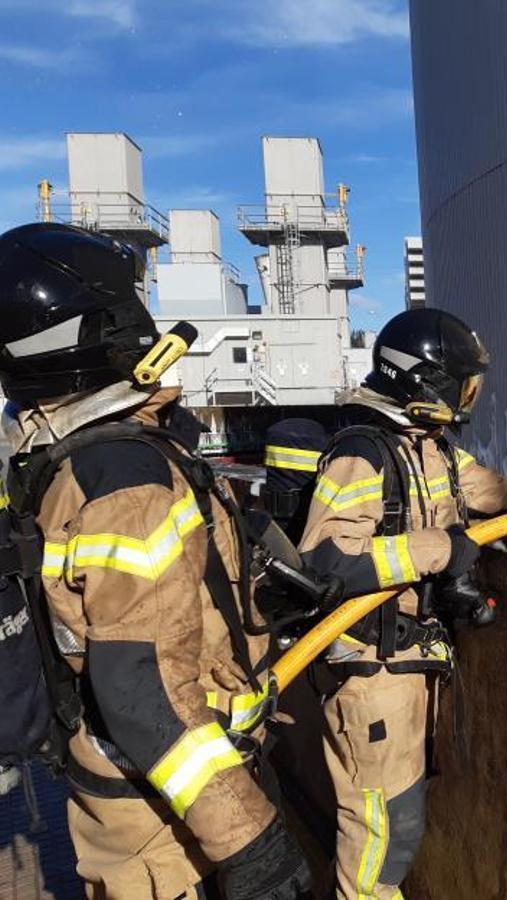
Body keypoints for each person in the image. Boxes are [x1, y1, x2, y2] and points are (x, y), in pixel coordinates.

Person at [0, 223, 311, 899]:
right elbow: (141, 690)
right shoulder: (126, 475)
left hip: (132, 786)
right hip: (166, 820)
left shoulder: (75, 457)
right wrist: (252, 842)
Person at [298, 308, 507, 898]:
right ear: (426, 382)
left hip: (408, 668)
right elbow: (325, 559)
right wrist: (436, 551)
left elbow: (506, 497)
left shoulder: (436, 452)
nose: (469, 396)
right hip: (369, 673)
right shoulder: (363, 454)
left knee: (397, 828)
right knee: (378, 838)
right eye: (462, 384)